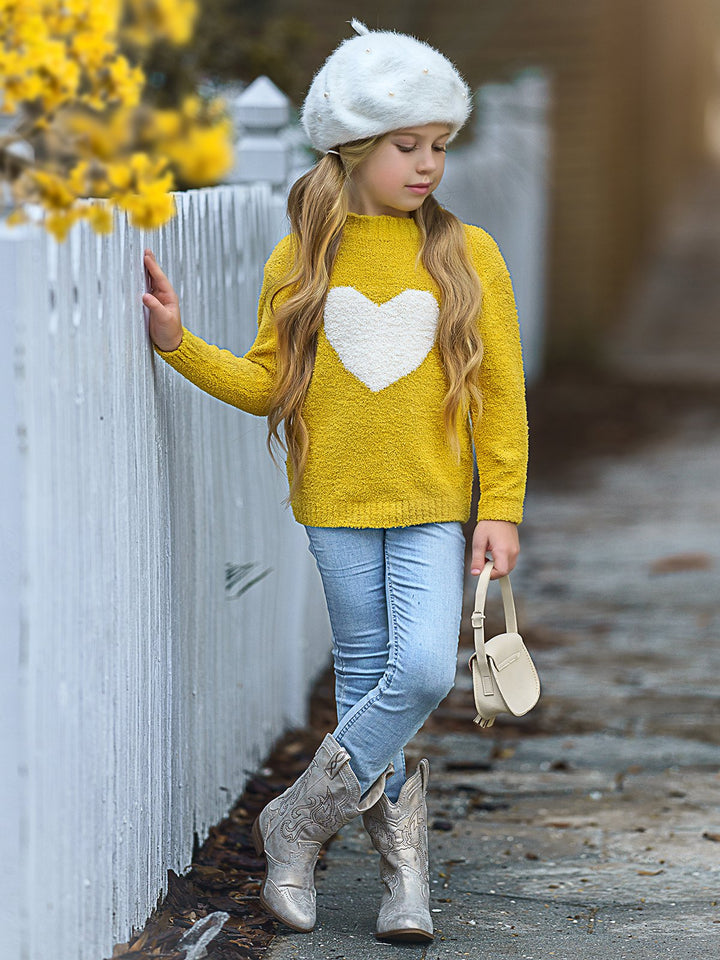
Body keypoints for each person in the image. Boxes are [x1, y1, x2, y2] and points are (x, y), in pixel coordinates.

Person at [142, 18, 528, 945]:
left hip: (435, 503)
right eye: (408, 146)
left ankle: (296, 826)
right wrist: (177, 346)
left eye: (439, 145)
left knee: (426, 666)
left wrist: (500, 507)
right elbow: (271, 383)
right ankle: (402, 879)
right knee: (365, 679)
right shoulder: (302, 258)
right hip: (335, 506)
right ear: (351, 148)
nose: (428, 163)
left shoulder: (467, 255)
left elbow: (502, 396)